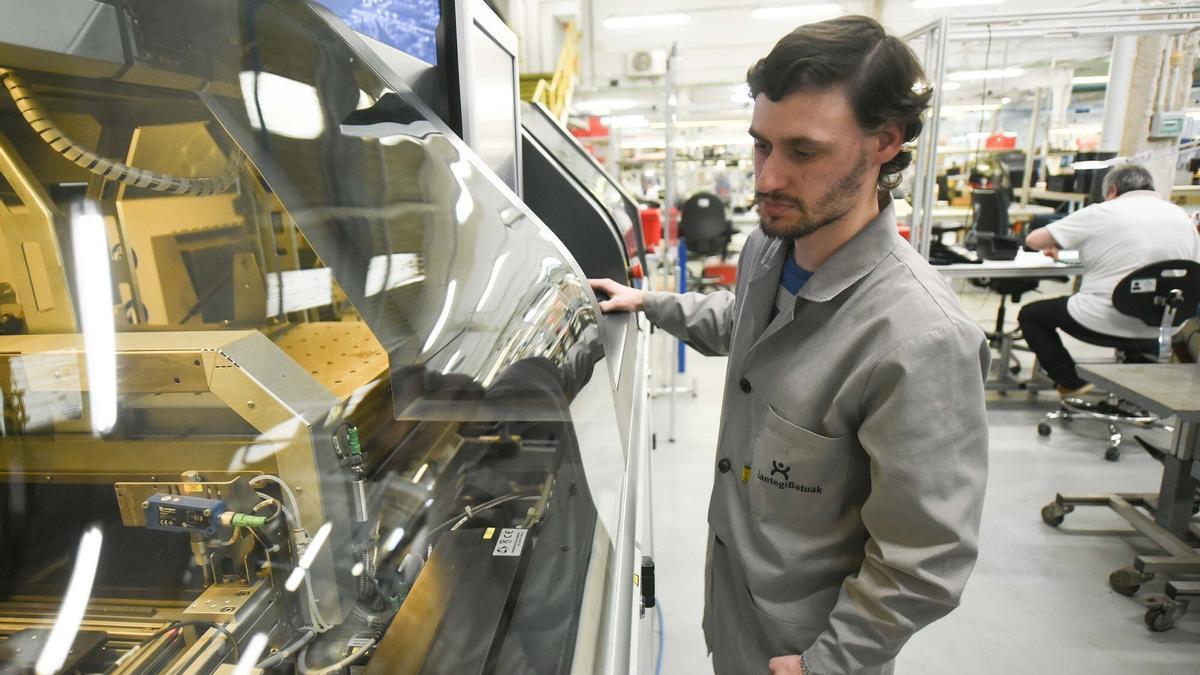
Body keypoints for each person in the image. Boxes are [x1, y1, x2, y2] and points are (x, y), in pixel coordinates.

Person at [589, 16, 989, 675]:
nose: (767, 178)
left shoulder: (921, 338)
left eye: (802, 152)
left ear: (883, 143)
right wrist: (650, 303)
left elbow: (927, 556)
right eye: (760, 146)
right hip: (734, 607)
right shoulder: (767, 248)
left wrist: (827, 662)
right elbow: (741, 321)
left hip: (807, 647)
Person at [1020, 163, 1200, 395]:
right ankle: (1138, 395)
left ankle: (1071, 381)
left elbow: (1034, 240)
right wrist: (1072, 257)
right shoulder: (1182, 217)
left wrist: (1059, 249)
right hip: (1164, 325)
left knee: (1031, 316)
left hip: (1103, 319)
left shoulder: (1103, 211)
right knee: (1143, 306)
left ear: (1112, 190)